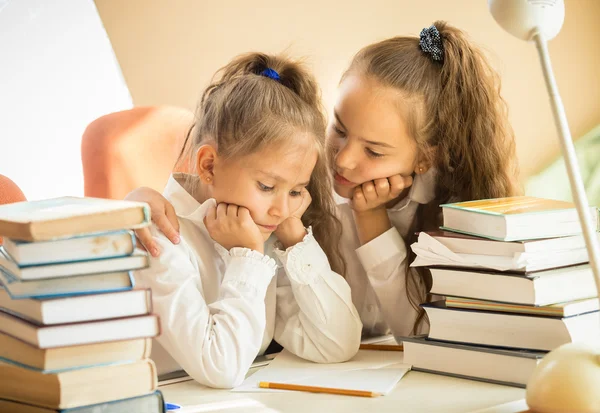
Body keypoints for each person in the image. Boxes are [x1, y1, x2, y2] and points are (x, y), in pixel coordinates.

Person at [130, 21, 518, 343]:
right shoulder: (293, 182)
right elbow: (207, 196)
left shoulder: (447, 208)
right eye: (341, 129)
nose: (344, 159)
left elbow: (419, 332)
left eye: (374, 152)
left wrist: (372, 220)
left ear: (424, 158)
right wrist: (136, 199)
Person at [134, 52, 362, 389]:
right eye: (267, 186)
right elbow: (220, 367)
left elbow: (337, 343)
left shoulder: (264, 229)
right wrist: (247, 259)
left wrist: (294, 235)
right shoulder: (161, 235)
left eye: (297, 190)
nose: (281, 208)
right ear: (209, 165)